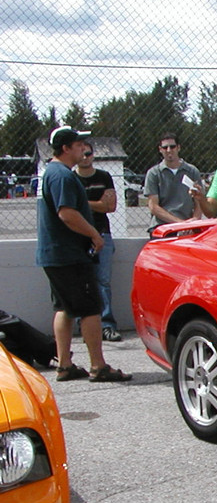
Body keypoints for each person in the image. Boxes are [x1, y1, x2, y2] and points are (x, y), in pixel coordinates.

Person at [36, 126, 131, 382]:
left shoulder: (53, 173)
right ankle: (98, 366)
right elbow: (66, 213)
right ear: (66, 148)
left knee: (65, 308)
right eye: (79, 145)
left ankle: (65, 365)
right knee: (90, 308)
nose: (84, 149)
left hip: (55, 255)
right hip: (69, 256)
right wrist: (94, 234)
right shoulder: (63, 176)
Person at [74, 141, 121, 341]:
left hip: (102, 233)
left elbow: (110, 206)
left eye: (89, 153)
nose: (85, 157)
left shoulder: (103, 177)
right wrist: (96, 204)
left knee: (103, 281)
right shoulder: (70, 178)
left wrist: (82, 203)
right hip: (76, 236)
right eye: (82, 153)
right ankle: (86, 327)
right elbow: (68, 209)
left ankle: (107, 324)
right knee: (80, 282)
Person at [144, 132, 203, 233]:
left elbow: (199, 202)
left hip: (188, 227)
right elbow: (153, 206)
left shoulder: (192, 171)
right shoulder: (153, 173)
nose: (169, 150)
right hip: (162, 227)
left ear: (178, 148)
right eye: (165, 147)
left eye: (172, 147)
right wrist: (180, 224)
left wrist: (194, 223)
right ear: (160, 149)